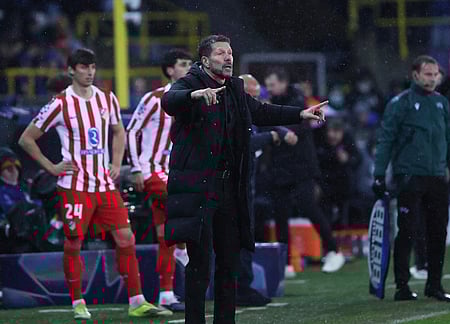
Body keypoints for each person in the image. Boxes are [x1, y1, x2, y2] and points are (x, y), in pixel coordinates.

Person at [160, 34, 326, 324]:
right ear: (205, 60)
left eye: (231, 53)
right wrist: (192, 96)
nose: (228, 57)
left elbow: (260, 111)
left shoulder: (235, 88)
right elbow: (169, 100)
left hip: (228, 187)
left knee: (229, 262)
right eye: (221, 53)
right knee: (199, 263)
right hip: (199, 187)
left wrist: (300, 113)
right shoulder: (190, 83)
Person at [18, 48, 172, 320]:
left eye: (92, 67)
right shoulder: (60, 103)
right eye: (83, 67)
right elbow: (26, 138)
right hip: (74, 185)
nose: (89, 72)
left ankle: (137, 300)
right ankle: (78, 302)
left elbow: (118, 131)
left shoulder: (107, 99)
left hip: (103, 184)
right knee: (73, 242)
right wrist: (52, 167)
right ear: (71, 70)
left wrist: (115, 163)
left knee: (126, 237)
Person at [373, 55, 450, 302]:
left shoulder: (441, 103)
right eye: (428, 73)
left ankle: (434, 284)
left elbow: (449, 140)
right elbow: (386, 140)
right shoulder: (400, 103)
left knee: (438, 232)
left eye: (435, 74)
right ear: (415, 75)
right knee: (408, 231)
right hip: (409, 176)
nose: (433, 78)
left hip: (437, 176)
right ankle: (402, 286)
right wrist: (379, 174)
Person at [126, 48, 193, 312]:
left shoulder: (190, 100)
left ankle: (166, 294)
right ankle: (186, 251)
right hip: (152, 170)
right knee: (186, 207)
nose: (189, 67)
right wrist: (136, 168)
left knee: (166, 235)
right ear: (169, 70)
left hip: (175, 170)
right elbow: (132, 131)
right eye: (183, 63)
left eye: (190, 63)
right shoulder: (154, 98)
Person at [264, 67, 345, 275]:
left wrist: (278, 129)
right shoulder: (274, 102)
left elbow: (296, 124)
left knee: (308, 206)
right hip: (280, 166)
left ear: (283, 82)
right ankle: (285, 263)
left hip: (301, 166)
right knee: (280, 214)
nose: (270, 89)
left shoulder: (298, 99)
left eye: (273, 84)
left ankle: (334, 250)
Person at [235, 73, 279, 307]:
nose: (258, 100)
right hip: (237, 186)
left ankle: (239, 287)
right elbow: (246, 143)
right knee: (241, 236)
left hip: (243, 184)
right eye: (254, 95)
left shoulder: (247, 114)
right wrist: (272, 136)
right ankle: (241, 288)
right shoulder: (238, 114)